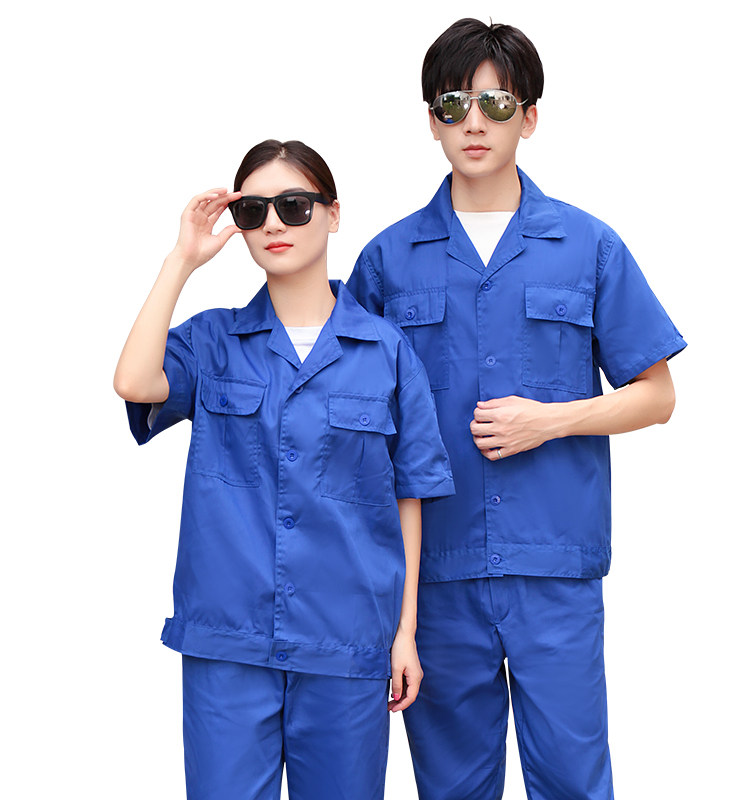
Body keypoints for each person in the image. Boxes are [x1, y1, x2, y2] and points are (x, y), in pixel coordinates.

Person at [347, 18, 686, 800]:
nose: (475, 122)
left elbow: (658, 394)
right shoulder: (386, 262)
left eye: (497, 104)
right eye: (454, 103)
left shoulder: (588, 246)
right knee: (452, 789)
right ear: (432, 119)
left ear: (529, 118)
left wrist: (553, 419)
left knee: (573, 782)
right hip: (434, 577)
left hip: (553, 569)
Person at [114, 139, 454, 800]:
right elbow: (133, 381)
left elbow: (409, 496)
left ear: (333, 213)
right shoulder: (212, 340)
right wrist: (182, 260)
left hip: (347, 642)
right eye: (254, 211)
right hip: (227, 643)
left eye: (295, 206)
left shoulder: (386, 352)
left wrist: (404, 634)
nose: (274, 223)